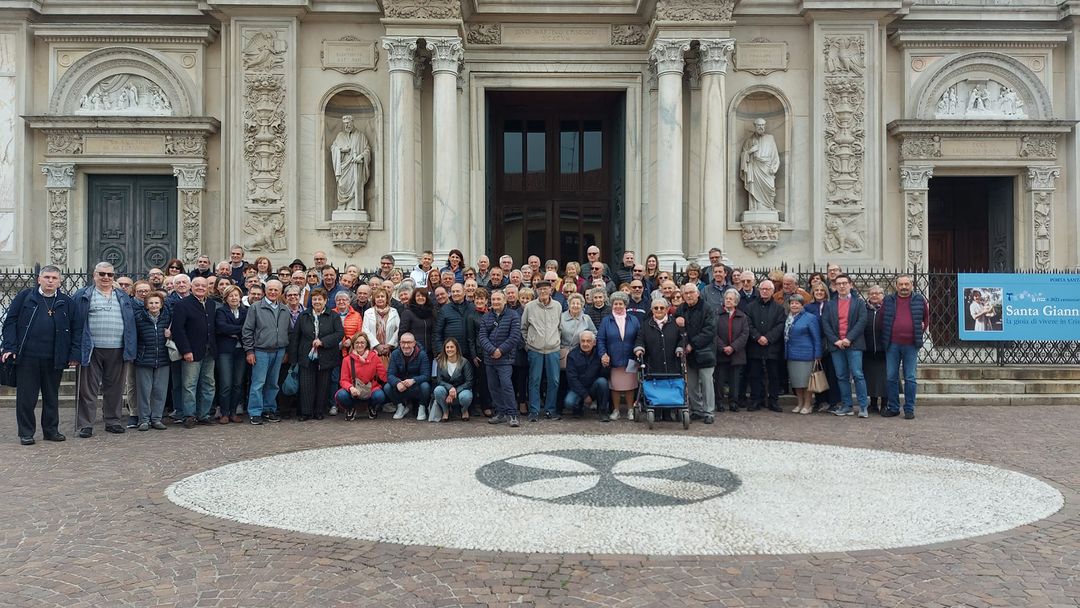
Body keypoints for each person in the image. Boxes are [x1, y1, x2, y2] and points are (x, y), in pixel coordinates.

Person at [2, 265, 79, 444]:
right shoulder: (25, 297)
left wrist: (74, 354)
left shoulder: (67, 302)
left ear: (60, 282)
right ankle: (26, 433)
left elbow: (77, 329)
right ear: (39, 279)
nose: (50, 281)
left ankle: (51, 431)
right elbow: (10, 322)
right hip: (27, 356)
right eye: (47, 277)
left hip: (55, 356)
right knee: (26, 397)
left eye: (54, 278)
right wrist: (10, 347)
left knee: (51, 396)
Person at [73, 262, 138, 438]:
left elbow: (131, 322)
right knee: (87, 389)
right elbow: (75, 323)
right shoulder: (83, 295)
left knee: (115, 388)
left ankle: (113, 421)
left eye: (110, 274)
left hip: (118, 348)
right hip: (91, 348)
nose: (106, 277)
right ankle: (86, 424)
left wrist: (131, 347)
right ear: (94, 275)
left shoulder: (123, 296)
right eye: (102, 274)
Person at [289, 288, 344, 421]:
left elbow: (339, 334)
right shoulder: (304, 315)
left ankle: (319, 411)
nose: (317, 301)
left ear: (325, 301)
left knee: (323, 385)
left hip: (326, 356)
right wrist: (293, 358)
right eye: (314, 299)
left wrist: (323, 341)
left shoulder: (334, 316)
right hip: (306, 356)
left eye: (320, 299)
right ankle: (306, 412)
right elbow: (295, 337)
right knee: (306, 385)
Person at [170, 276, 218, 427]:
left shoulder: (211, 304)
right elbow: (178, 330)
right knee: (189, 385)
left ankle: (204, 414)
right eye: (197, 285)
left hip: (210, 350)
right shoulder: (182, 304)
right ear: (191, 287)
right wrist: (186, 350)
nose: (200, 288)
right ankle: (189, 415)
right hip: (191, 351)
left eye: (203, 285)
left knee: (208, 384)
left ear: (207, 288)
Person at [242, 279, 291, 425]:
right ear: (265, 291)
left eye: (276, 290)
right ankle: (255, 412)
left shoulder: (284, 309)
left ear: (280, 292)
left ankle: (269, 409)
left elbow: (288, 331)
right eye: (270, 289)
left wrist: (286, 350)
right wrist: (249, 351)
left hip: (279, 351)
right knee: (258, 383)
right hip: (261, 351)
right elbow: (247, 330)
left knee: (273, 383)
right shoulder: (256, 308)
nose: (273, 292)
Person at [821, 274, 869, 417]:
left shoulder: (859, 303)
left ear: (850, 285)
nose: (841, 286)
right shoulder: (830, 304)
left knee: (858, 375)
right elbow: (825, 324)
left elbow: (862, 322)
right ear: (835, 286)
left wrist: (848, 338)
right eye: (838, 284)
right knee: (841, 376)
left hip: (854, 345)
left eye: (844, 283)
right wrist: (836, 340)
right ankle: (847, 405)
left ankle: (863, 407)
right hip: (836, 346)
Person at [882, 275, 928, 420]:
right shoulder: (888, 300)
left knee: (910, 377)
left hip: (911, 345)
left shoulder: (919, 299)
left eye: (906, 284)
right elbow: (882, 318)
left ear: (911, 285)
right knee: (891, 377)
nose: (904, 287)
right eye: (901, 284)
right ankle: (894, 408)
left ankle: (909, 409)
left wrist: (921, 330)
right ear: (896, 286)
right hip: (892, 344)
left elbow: (926, 318)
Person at [521, 279, 563, 422]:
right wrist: (529, 344)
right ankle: (534, 411)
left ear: (551, 290)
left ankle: (550, 410)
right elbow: (523, 328)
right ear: (536, 291)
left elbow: (560, 327)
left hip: (553, 349)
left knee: (554, 380)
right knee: (534, 380)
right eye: (540, 290)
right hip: (535, 349)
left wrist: (556, 341)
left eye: (546, 289)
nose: (543, 291)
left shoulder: (557, 306)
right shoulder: (530, 307)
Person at [480, 290, 523, 427]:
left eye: (498, 299)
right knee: (493, 387)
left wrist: (501, 350)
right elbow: (482, 337)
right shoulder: (486, 317)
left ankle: (512, 414)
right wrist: (493, 350)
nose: (496, 302)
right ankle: (500, 412)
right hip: (489, 359)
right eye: (493, 299)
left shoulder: (513, 315)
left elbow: (514, 337)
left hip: (505, 359)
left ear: (504, 301)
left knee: (506, 385)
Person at [676, 283, 717, 423]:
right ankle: (696, 410)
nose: (689, 295)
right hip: (689, 354)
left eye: (691, 292)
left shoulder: (707, 308)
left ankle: (709, 412)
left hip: (705, 352)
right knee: (692, 384)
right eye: (686, 293)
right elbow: (676, 329)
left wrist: (692, 344)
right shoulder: (681, 309)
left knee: (707, 384)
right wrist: (677, 322)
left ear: (698, 293)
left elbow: (710, 330)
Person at [597, 291, 641, 421]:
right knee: (615, 386)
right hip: (613, 358)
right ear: (612, 305)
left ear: (625, 305)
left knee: (630, 385)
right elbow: (600, 339)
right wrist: (603, 354)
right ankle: (616, 410)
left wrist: (638, 351)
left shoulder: (633, 320)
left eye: (620, 304)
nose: (618, 306)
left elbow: (639, 337)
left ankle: (630, 410)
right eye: (615, 304)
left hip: (630, 357)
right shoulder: (606, 320)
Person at [131, 291, 171, 431]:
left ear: (161, 305)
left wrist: (170, 335)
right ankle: (144, 420)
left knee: (160, 391)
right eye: (151, 303)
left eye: (156, 303)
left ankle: (156, 419)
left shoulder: (167, 318)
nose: (154, 305)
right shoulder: (138, 318)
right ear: (146, 305)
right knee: (144, 391)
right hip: (144, 359)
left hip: (163, 359)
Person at [745, 279, 785, 412]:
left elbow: (780, 325)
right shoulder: (750, 307)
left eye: (767, 289)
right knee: (755, 374)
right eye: (762, 289)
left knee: (774, 375)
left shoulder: (779, 308)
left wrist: (768, 338)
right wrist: (757, 337)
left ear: (772, 291)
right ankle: (756, 400)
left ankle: (773, 400)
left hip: (772, 347)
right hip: (755, 346)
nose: (764, 291)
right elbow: (748, 324)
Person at [214, 285, 248, 424]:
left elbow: (248, 328)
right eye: (231, 296)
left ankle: (233, 412)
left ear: (240, 297)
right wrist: (240, 329)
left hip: (241, 350)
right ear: (226, 298)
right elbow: (222, 327)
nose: (234, 298)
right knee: (226, 383)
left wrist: (232, 331)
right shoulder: (221, 311)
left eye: (236, 295)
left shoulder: (246, 311)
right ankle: (224, 413)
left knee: (238, 383)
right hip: (225, 351)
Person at [805, 282, 841, 412]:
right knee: (818, 372)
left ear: (826, 292)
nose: (819, 292)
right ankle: (820, 400)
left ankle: (834, 401)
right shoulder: (808, 307)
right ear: (813, 292)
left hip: (831, 342)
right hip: (815, 343)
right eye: (816, 290)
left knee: (832, 373)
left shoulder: (832, 305)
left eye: (822, 290)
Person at [784, 295, 822, 415]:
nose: (794, 305)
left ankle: (807, 404)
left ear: (802, 305)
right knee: (796, 382)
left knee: (806, 383)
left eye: (797, 303)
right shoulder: (788, 318)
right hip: (791, 354)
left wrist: (817, 354)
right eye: (792, 303)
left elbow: (816, 337)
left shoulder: (810, 318)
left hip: (806, 355)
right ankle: (799, 403)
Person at [335, 334, 387, 420]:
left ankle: (371, 406)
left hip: (370, 389)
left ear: (367, 344)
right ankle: (351, 408)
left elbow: (384, 375)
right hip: (354, 390)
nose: (359, 345)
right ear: (353, 344)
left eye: (362, 342)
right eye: (357, 343)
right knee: (341, 395)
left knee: (380, 396)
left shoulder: (374, 357)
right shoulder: (347, 360)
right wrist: (350, 388)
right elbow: (343, 380)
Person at [715, 289, 749, 412]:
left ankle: (733, 402)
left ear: (736, 302)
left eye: (731, 299)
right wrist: (722, 347)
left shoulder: (742, 316)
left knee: (735, 380)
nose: (728, 301)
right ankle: (719, 402)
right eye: (726, 298)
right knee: (719, 379)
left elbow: (745, 334)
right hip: (721, 352)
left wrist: (733, 347)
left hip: (736, 353)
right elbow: (713, 333)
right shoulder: (717, 315)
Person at [385, 332, 431, 420]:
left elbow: (426, 375)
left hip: (415, 386)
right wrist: (397, 383)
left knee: (425, 386)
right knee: (387, 387)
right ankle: (401, 406)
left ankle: (422, 407)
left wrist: (413, 380)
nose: (406, 346)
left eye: (409, 342)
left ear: (414, 343)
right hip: (401, 387)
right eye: (403, 342)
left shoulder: (422, 354)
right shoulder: (395, 354)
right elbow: (390, 374)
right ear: (400, 343)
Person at [564, 331, 609, 420]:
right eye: (583, 341)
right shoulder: (572, 355)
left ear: (594, 343)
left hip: (593, 387)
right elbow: (572, 379)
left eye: (588, 341)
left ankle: (603, 411)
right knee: (569, 403)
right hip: (578, 388)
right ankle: (578, 408)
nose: (585, 344)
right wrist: (585, 395)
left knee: (602, 382)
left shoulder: (600, 354)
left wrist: (605, 366)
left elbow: (605, 375)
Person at [634, 297, 682, 376]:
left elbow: (682, 339)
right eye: (656, 308)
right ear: (652, 310)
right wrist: (639, 348)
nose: (659, 310)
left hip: (673, 367)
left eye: (662, 308)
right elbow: (640, 339)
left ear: (667, 309)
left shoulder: (675, 323)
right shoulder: (645, 325)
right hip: (652, 368)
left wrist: (680, 348)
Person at [331, 114, 370, 211]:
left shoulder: (360, 136)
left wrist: (361, 156)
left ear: (353, 122)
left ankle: (352, 206)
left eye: (348, 123)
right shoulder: (340, 136)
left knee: (356, 185)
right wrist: (341, 150)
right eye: (344, 124)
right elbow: (333, 148)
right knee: (342, 184)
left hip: (355, 167)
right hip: (343, 167)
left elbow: (367, 150)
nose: (346, 125)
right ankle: (342, 206)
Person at [740, 117, 780, 211]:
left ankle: (770, 206)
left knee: (770, 187)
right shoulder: (749, 141)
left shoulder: (770, 138)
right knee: (754, 188)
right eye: (759, 125)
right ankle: (754, 208)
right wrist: (750, 151)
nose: (761, 127)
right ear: (755, 126)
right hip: (755, 167)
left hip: (767, 168)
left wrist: (775, 166)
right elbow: (743, 155)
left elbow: (775, 155)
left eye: (762, 125)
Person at [431, 337, 474, 422]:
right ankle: (445, 411)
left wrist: (454, 391)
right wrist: (450, 388)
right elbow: (438, 380)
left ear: (456, 348)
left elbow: (469, 382)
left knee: (466, 396)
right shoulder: (440, 362)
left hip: (462, 390)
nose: (449, 349)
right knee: (438, 390)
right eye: (447, 347)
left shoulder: (464, 362)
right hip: (446, 390)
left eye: (452, 347)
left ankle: (464, 410)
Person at [863, 285, 887, 414]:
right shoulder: (864, 309)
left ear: (883, 295)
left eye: (877, 293)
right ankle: (873, 404)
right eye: (871, 293)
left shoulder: (888, 308)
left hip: (884, 349)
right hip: (868, 349)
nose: (874, 295)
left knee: (884, 379)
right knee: (871, 378)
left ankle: (884, 404)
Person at [400, 288, 436, 359]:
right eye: (418, 296)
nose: (420, 297)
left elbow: (434, 331)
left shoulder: (431, 312)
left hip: (429, 351)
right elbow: (402, 332)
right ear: (414, 298)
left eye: (423, 296)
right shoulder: (408, 312)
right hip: (413, 351)